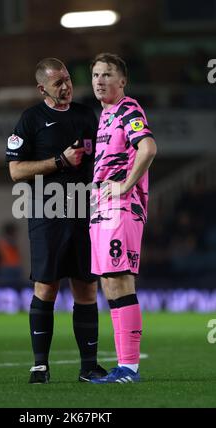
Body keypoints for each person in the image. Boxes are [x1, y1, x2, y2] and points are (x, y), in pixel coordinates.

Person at [6, 58, 107, 384]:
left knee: (87, 289)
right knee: (46, 287)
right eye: (57, 83)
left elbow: (102, 158)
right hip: (47, 212)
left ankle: (89, 367)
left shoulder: (85, 114)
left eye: (67, 79)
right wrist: (58, 161)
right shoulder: (31, 120)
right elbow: (15, 171)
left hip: (84, 212)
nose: (65, 86)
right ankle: (40, 365)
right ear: (42, 89)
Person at [89, 53, 157, 383]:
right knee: (109, 282)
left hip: (121, 207)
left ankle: (129, 368)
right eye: (95, 75)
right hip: (101, 208)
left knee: (120, 280)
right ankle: (122, 366)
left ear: (122, 81)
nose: (100, 80)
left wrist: (126, 185)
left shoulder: (128, 109)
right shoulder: (104, 115)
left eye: (107, 75)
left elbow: (148, 148)